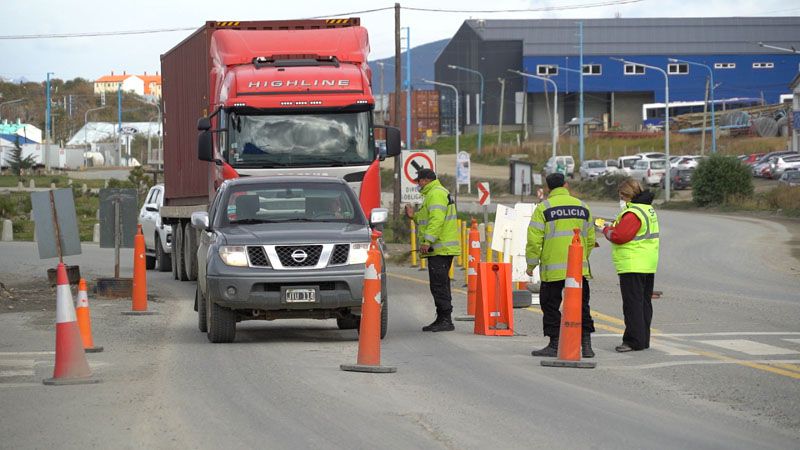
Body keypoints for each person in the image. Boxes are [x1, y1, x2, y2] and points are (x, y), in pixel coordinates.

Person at [526, 173, 596, 357]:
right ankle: (586, 345)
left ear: (548, 188)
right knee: (581, 306)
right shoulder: (583, 207)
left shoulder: (544, 208)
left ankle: (555, 343)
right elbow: (590, 239)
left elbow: (534, 241)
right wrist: (581, 259)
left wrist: (531, 265)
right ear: (566, 185)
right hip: (577, 270)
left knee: (550, 306)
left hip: (552, 269)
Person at [602, 179, 659, 352]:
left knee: (632, 304)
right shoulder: (647, 209)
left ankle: (633, 340)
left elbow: (620, 236)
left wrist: (606, 230)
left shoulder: (633, 213)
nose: (621, 200)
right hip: (647, 263)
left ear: (628, 195)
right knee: (643, 304)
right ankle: (643, 340)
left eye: (622, 196)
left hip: (632, 263)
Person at [405, 168, 461, 332]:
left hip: (440, 247)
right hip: (439, 248)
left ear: (425, 180)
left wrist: (428, 240)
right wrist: (413, 216)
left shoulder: (435, 193)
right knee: (440, 284)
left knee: (439, 285)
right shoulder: (433, 194)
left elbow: (437, 220)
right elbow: (427, 218)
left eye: (418, 181)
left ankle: (445, 320)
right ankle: (442, 318)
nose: (418, 184)